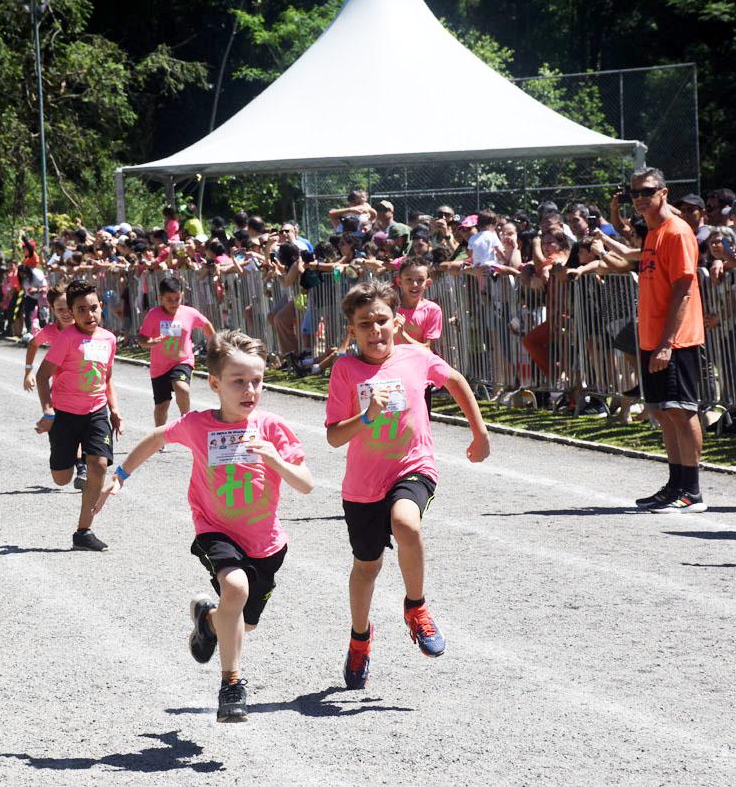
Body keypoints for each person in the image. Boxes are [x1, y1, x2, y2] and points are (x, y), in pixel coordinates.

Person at [95, 330, 314, 723]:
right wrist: (121, 474)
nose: (250, 390)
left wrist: (275, 461)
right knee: (236, 588)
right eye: (239, 381)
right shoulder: (198, 425)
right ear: (214, 383)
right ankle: (232, 687)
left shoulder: (271, 428)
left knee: (241, 621)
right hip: (216, 529)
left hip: (265, 542)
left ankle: (208, 621)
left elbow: (306, 483)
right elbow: (157, 438)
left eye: (257, 382)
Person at [325, 280, 489, 688]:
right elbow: (333, 436)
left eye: (381, 320)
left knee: (407, 522)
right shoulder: (345, 370)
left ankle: (416, 607)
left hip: (412, 467)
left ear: (397, 322)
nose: (375, 330)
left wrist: (480, 431)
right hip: (362, 485)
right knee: (367, 567)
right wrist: (364, 416)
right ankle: (360, 639)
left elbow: (455, 381)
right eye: (365, 324)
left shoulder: (418, 357)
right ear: (352, 331)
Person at [600, 168, 707, 513]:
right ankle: (675, 485)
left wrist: (666, 341)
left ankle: (691, 490)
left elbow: (683, 289)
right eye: (635, 193)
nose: (640, 198)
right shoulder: (653, 232)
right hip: (652, 338)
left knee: (681, 410)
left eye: (646, 191)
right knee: (663, 412)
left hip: (676, 340)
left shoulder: (677, 232)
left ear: (663, 191)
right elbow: (637, 262)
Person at [34, 279, 122, 551]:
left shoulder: (108, 339)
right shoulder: (66, 339)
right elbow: (43, 375)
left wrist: (114, 408)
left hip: (96, 411)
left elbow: (106, 377)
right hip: (65, 414)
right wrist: (48, 411)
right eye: (81, 310)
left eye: (93, 308)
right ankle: (73, 459)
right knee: (61, 477)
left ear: (101, 307)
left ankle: (84, 531)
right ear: (71, 312)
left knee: (99, 465)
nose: (89, 315)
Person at [138, 276, 215, 427]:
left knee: (182, 387)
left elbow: (206, 324)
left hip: (182, 361)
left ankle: (186, 421)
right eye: (169, 299)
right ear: (160, 298)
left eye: (177, 298)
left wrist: (215, 345)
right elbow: (141, 338)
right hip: (159, 367)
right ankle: (159, 436)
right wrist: (150, 343)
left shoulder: (189, 313)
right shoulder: (154, 315)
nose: (174, 303)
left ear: (182, 295)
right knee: (162, 406)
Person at [23, 284, 74, 391]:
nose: (66, 313)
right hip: (60, 390)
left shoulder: (86, 329)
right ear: (52, 309)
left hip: (88, 392)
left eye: (69, 308)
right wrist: (28, 372)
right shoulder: (49, 331)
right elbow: (33, 344)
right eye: (60, 309)